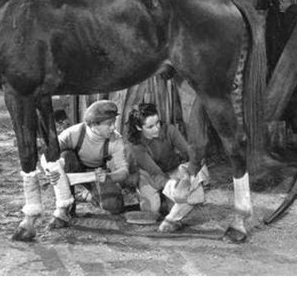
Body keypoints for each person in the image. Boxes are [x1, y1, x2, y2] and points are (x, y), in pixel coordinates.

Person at [125, 102, 210, 233]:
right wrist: (176, 190)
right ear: (138, 127)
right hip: (151, 176)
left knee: (194, 179)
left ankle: (170, 212)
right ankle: (148, 194)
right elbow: (156, 173)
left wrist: (189, 176)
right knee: (152, 212)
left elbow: (189, 153)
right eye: (150, 126)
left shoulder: (169, 130)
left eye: (158, 123)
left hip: (173, 170)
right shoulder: (136, 146)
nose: (157, 128)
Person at [45, 100, 129, 228]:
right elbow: (48, 154)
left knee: (114, 207)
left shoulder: (115, 139)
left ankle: (89, 196)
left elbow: (124, 171)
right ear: (93, 125)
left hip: (97, 173)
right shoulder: (73, 133)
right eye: (109, 124)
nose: (114, 128)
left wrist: (109, 177)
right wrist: (49, 171)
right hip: (74, 168)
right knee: (66, 156)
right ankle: (66, 209)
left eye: (114, 122)